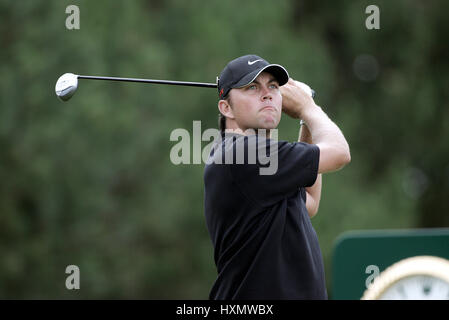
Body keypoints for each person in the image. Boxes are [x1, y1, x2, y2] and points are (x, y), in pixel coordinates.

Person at [203, 54, 350, 299]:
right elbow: (339, 153)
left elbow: (309, 202)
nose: (267, 93)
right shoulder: (242, 153)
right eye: (252, 87)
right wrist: (309, 108)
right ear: (226, 107)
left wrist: (305, 118)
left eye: (273, 86)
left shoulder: (263, 165)